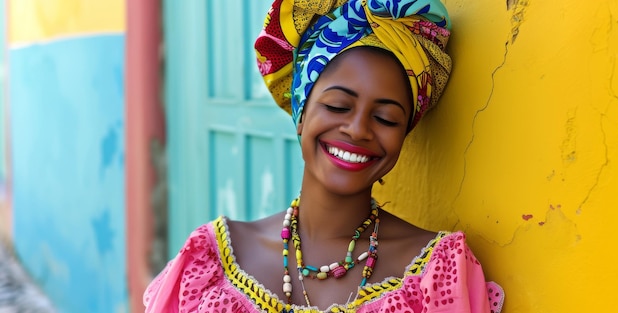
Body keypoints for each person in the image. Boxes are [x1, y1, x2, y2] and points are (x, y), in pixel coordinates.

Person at [143, 0, 505, 312]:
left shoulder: (438, 275)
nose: (358, 129)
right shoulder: (210, 264)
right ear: (301, 113)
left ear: (404, 135)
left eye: (385, 118)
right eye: (337, 105)